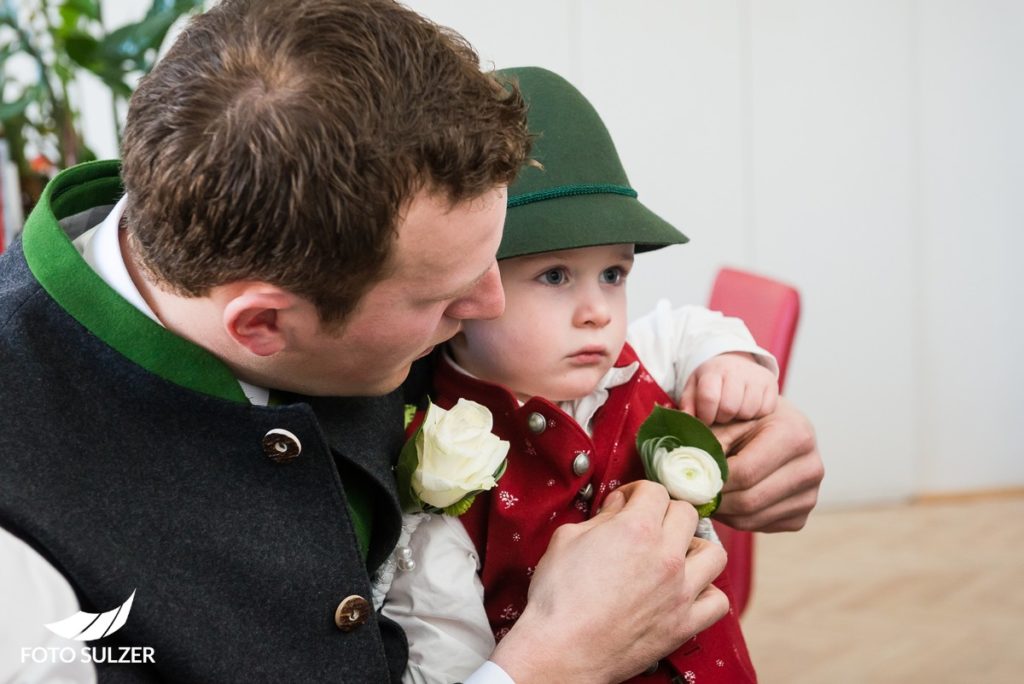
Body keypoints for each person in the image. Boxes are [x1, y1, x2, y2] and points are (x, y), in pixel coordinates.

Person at [0, 1, 824, 683]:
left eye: (498, 261)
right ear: (264, 324)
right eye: (443, 299)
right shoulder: (20, 560)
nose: (491, 304)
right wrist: (551, 665)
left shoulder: (307, 261)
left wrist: (749, 423)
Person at [380, 66, 778, 684]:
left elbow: (684, 328)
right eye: (556, 276)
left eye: (613, 275)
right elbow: (445, 658)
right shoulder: (438, 472)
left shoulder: (621, 364)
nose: (597, 311)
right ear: (466, 289)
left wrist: (726, 359)